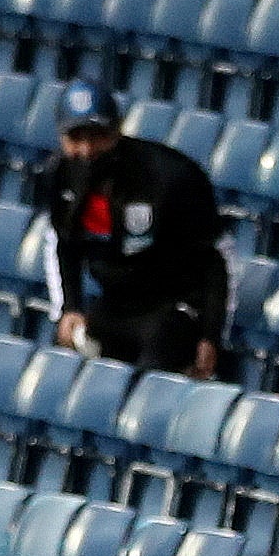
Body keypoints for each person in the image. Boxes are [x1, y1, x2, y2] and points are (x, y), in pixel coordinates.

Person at [41, 89, 231, 378]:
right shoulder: (62, 173)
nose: (87, 150)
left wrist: (212, 335)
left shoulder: (171, 177)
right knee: (68, 373)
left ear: (117, 130)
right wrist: (70, 307)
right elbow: (64, 242)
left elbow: (217, 259)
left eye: (97, 136)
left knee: (148, 384)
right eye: (76, 139)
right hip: (116, 304)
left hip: (172, 307)